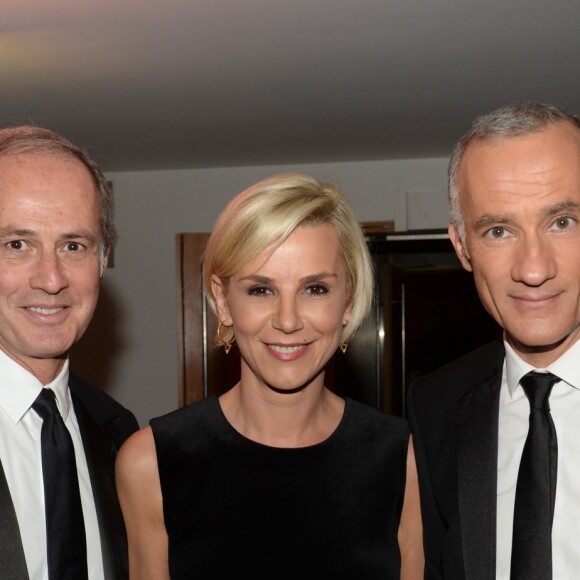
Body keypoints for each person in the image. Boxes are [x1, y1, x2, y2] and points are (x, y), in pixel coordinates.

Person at [116, 173, 424, 579]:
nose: (288, 320)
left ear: (347, 302)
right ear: (223, 302)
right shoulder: (151, 462)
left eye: (315, 289)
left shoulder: (404, 459)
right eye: (261, 290)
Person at [407, 102, 580, 579]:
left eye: (561, 222)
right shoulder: (436, 405)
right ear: (462, 247)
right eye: (499, 231)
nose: (533, 269)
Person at [0, 126, 139, 579]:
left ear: (103, 260)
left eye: (73, 246)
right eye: (17, 244)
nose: (52, 278)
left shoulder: (120, 434)